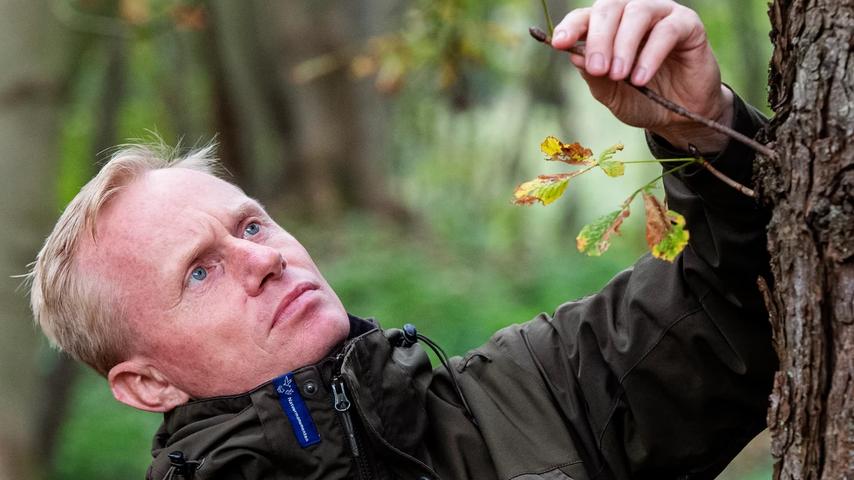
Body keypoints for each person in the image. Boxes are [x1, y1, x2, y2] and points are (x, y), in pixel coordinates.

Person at [28, 1, 776, 478]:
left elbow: (739, 313)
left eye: (251, 225)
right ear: (148, 385)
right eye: (198, 273)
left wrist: (702, 131)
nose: (264, 260)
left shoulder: (523, 396)